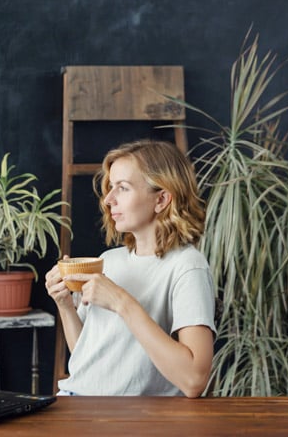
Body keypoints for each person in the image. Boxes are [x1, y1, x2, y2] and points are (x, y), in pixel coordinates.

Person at [45, 139, 216, 398]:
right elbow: (88, 358)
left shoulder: (187, 266)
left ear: (161, 199)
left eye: (122, 188)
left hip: (125, 417)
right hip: (75, 403)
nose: (108, 200)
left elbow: (194, 380)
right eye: (110, 188)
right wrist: (65, 305)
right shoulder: (108, 261)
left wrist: (122, 302)